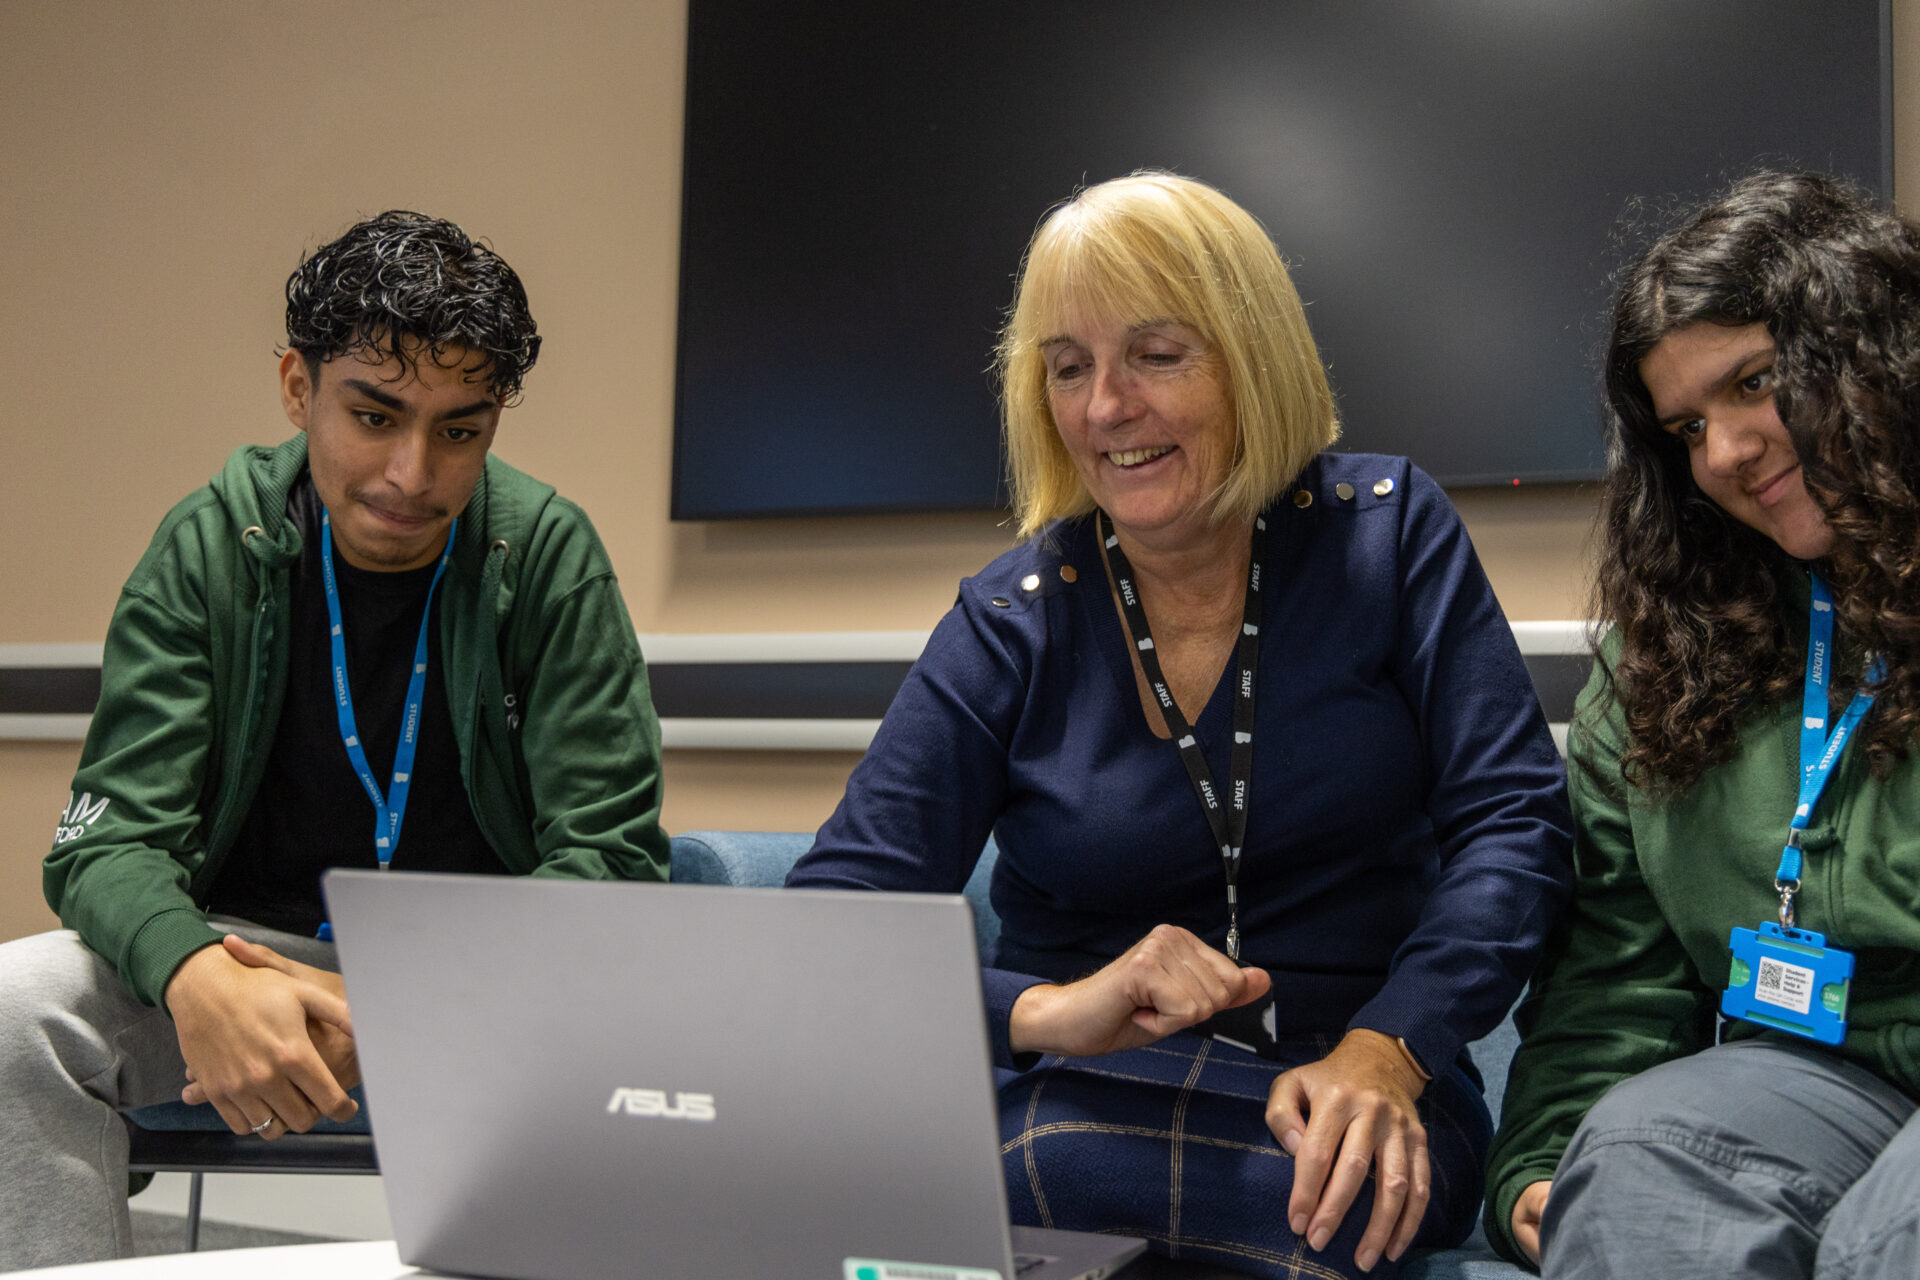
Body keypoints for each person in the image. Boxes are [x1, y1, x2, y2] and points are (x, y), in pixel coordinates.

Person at [788, 172, 1572, 1278]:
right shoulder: (1014, 616)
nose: (1106, 406)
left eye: (1156, 354)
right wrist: (1056, 1009)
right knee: (1047, 1167)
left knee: (1331, 1204)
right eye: (1069, 367)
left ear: (1253, 359)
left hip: (1353, 1090)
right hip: (1074, 1094)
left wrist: (1389, 1049)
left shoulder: (1388, 537)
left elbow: (1516, 826)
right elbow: (830, 925)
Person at [0, 211, 669, 1270]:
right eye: (375, 414)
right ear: (296, 388)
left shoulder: (544, 558)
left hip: (490, 993)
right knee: (15, 1012)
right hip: (249, 973)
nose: (413, 473)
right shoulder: (210, 547)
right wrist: (195, 974)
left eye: (461, 428)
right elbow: (103, 843)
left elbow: (614, 862)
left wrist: (416, 999)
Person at [1486, 171, 1920, 1278]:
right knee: (1636, 1164)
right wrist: (1543, 1157)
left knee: (1891, 1236)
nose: (1724, 451)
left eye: (1759, 383)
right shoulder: (1669, 654)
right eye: (1687, 426)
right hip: (1824, 1076)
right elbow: (1614, 963)